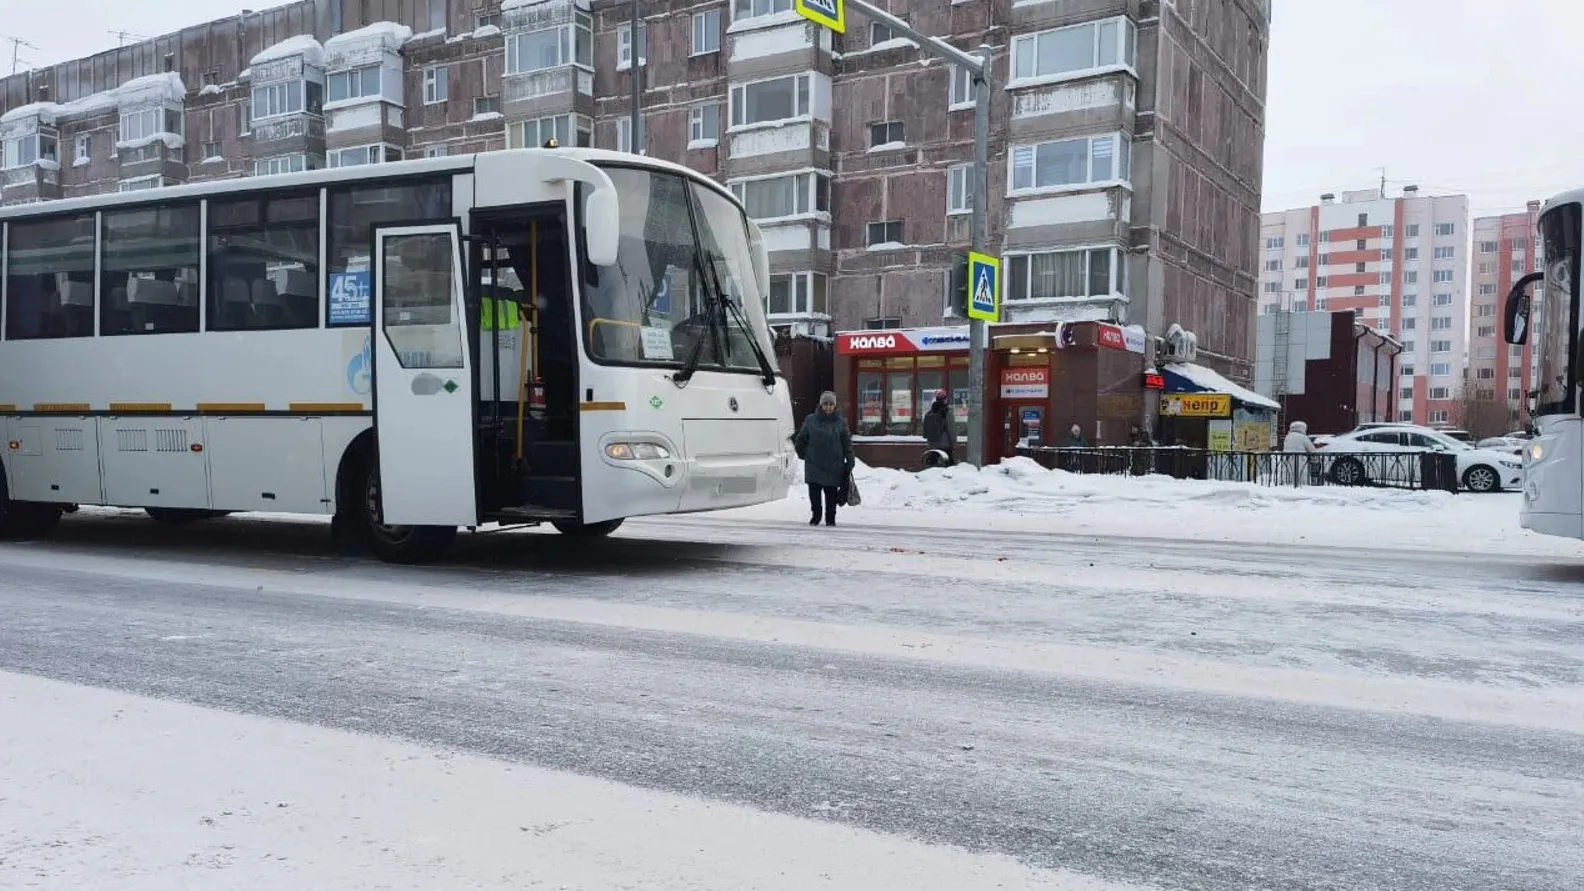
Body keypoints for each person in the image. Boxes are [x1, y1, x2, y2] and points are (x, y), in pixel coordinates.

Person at [794, 390, 855, 526]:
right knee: (814, 494)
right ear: (820, 405)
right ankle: (816, 516)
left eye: (831, 404)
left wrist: (850, 458)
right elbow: (800, 439)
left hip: (834, 465)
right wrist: (804, 454)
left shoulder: (840, 423)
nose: (828, 407)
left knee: (831, 495)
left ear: (835, 406)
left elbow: (847, 443)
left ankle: (830, 518)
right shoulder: (811, 420)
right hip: (814, 465)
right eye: (825, 404)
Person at [921, 389, 956, 467]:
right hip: (945, 444)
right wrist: (954, 444)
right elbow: (951, 430)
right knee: (950, 465)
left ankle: (928, 476)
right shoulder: (947, 412)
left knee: (931, 464)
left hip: (932, 443)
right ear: (945, 399)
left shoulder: (930, 412)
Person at [1283, 419, 1317, 485]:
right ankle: (1301, 487)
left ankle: (1288, 485)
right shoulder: (1303, 437)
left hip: (1287, 460)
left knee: (1289, 475)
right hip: (1300, 461)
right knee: (1301, 476)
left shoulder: (1287, 437)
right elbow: (1312, 450)